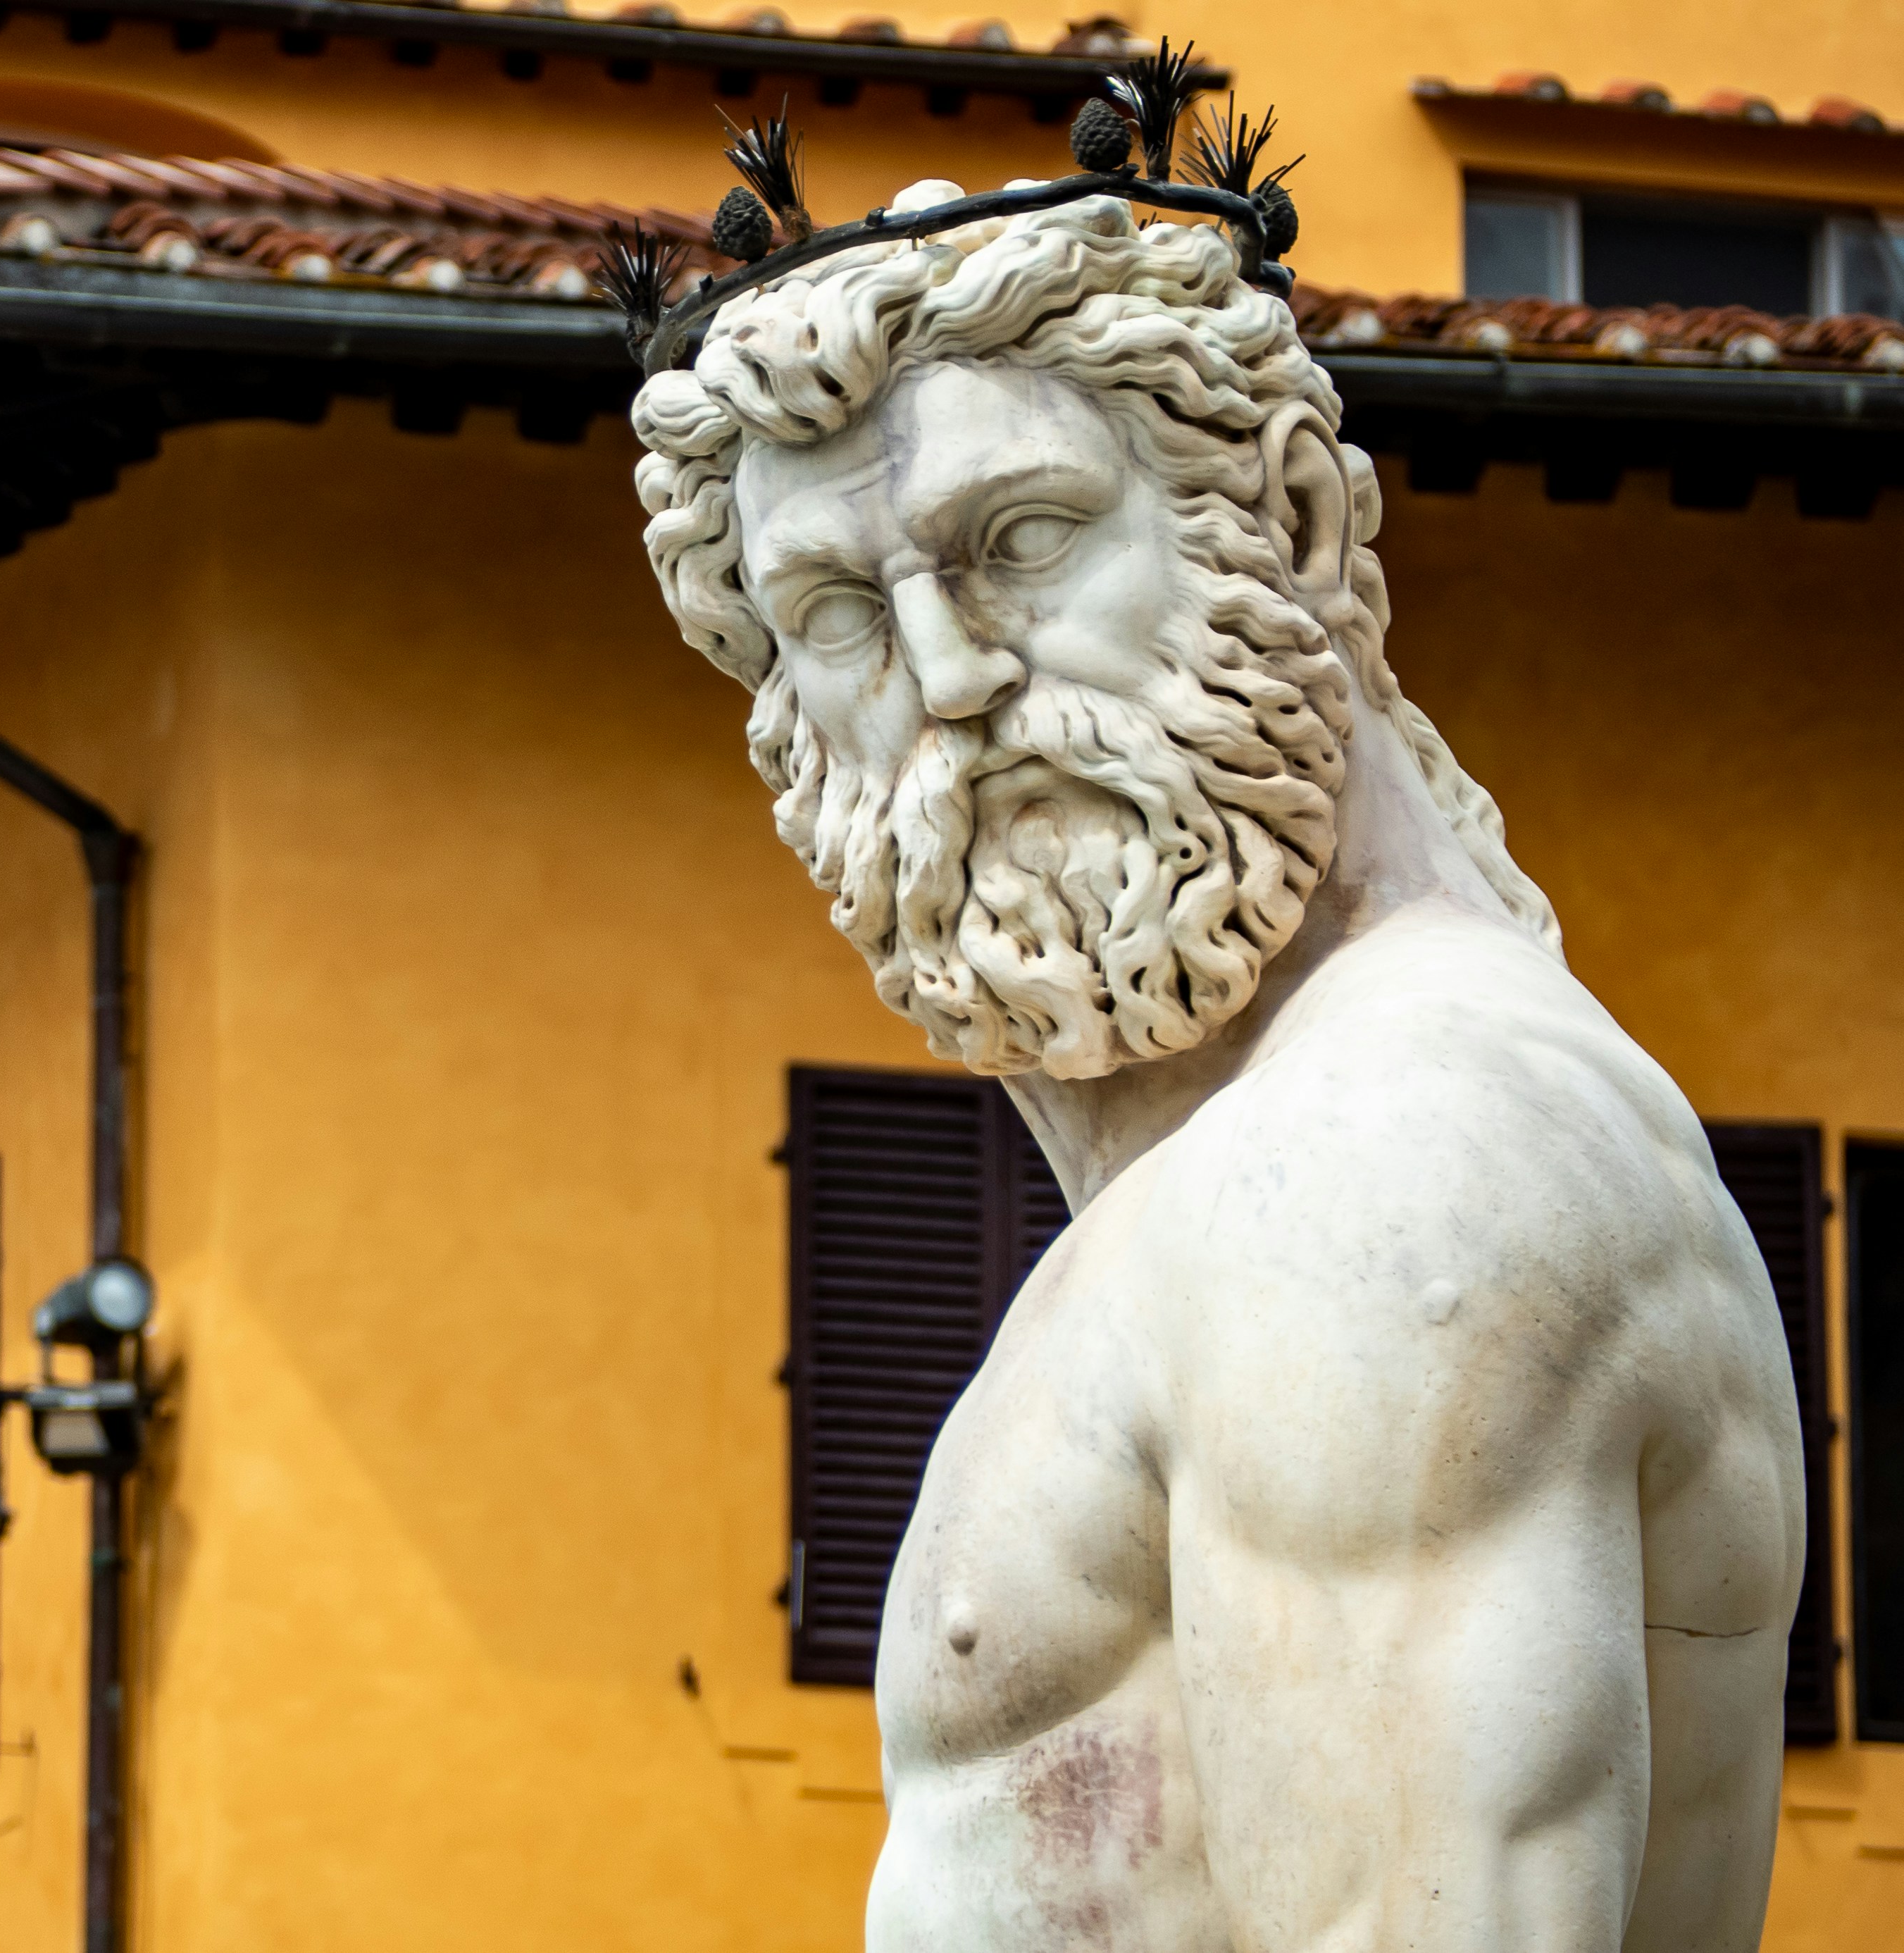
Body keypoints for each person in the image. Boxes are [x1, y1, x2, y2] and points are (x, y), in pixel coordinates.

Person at [631, 184, 1803, 1950]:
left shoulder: (1378, 1167)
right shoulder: (1295, 1173)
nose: (947, 680)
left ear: (1305, 526)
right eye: (839, 620)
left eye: (1020, 539)